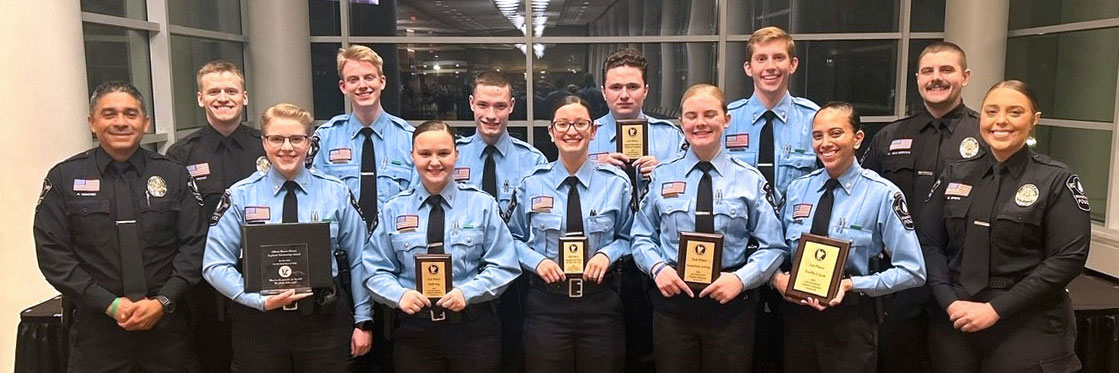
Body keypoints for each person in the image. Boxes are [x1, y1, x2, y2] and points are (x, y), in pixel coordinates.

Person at [918, 80, 1089, 372]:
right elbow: (928, 243)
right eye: (991, 111)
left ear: (1035, 120)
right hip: (956, 316)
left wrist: (996, 309)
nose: (1001, 121)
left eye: (1015, 112)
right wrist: (949, 301)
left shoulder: (1056, 180)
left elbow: (1067, 259)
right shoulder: (955, 173)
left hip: (1026, 318)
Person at [34, 81, 205, 371]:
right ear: (92, 122)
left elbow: (196, 244)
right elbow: (53, 254)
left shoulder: (173, 175)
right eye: (109, 114)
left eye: (130, 113)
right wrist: (109, 304)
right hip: (97, 331)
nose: (121, 122)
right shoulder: (64, 178)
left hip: (167, 328)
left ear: (145, 121)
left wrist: (163, 300)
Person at [204, 103, 373, 371]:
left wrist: (363, 320)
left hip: (323, 322)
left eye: (296, 139)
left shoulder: (336, 193)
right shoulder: (240, 196)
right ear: (264, 142)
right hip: (259, 324)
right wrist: (256, 300)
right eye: (277, 139)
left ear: (309, 143)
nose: (287, 147)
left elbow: (361, 258)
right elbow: (214, 265)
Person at [631, 84, 786, 372]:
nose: (700, 123)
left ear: (726, 120)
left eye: (709, 114)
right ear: (682, 123)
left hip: (731, 307)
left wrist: (741, 279)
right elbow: (641, 235)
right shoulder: (662, 176)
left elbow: (773, 245)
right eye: (691, 116)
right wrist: (657, 269)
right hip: (673, 305)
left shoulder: (749, 180)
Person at [770, 101, 926, 372]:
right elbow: (774, 249)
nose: (825, 143)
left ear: (857, 138)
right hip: (797, 321)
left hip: (851, 322)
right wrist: (777, 278)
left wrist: (852, 284)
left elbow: (913, 271)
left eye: (835, 133)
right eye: (817, 136)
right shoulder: (797, 191)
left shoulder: (882, 194)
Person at [861, 41, 984, 372]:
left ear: (966, 76)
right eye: (928, 71)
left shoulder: (986, 136)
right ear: (917, 78)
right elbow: (863, 195)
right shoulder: (890, 136)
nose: (936, 78)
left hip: (961, 277)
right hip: (900, 277)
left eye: (946, 70)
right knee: (896, 360)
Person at [365, 120, 521, 372]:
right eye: (425, 154)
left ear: (456, 154)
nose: (434, 162)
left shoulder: (482, 205)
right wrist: (400, 295)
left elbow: (504, 265)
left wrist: (468, 292)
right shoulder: (394, 209)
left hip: (473, 329)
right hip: (414, 331)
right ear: (412, 156)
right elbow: (374, 269)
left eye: (443, 153)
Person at [508, 96, 633, 372]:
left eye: (579, 123)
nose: (571, 131)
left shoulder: (616, 183)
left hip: (600, 304)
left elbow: (630, 236)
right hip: (546, 305)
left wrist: (607, 254)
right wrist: (537, 262)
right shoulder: (531, 183)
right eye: (563, 124)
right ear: (551, 132)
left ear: (593, 131)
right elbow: (511, 239)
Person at [309, 45, 413, 367]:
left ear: (382, 81)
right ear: (343, 86)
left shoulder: (408, 138)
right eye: (353, 79)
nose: (362, 85)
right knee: (349, 357)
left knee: (396, 355)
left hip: (395, 264)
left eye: (369, 77)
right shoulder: (325, 138)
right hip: (342, 267)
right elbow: (314, 196)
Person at [724, 26, 820, 369]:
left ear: (792, 64)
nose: (770, 66)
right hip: (738, 258)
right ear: (748, 67)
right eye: (761, 58)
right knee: (740, 355)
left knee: (792, 355)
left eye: (778, 57)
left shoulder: (815, 121)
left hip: (797, 262)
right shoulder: (725, 121)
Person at [590, 47, 685, 373]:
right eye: (616, 87)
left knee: (652, 351)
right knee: (606, 354)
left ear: (646, 90)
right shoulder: (585, 136)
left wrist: (666, 170)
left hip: (657, 260)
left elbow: (692, 184)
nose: (624, 95)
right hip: (603, 262)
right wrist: (593, 164)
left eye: (632, 87)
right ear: (604, 91)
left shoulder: (670, 138)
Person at [165, 60, 264, 372]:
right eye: (214, 91)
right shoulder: (181, 155)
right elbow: (175, 221)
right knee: (210, 354)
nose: (223, 97)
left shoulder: (266, 147)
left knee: (259, 356)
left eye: (231, 90)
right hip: (204, 280)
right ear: (200, 98)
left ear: (245, 97)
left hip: (259, 272)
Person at [453, 70, 546, 372]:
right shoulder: (452, 157)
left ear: (512, 106)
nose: (491, 115)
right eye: (483, 105)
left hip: (518, 279)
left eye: (500, 106)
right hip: (464, 276)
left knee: (517, 355)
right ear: (471, 104)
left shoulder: (532, 161)